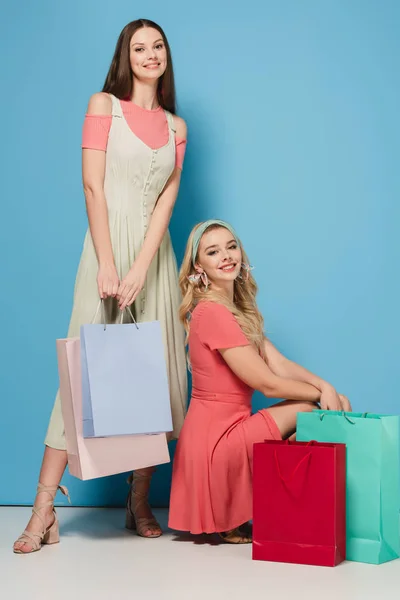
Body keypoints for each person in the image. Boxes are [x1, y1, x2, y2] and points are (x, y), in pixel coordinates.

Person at [14, 19, 188, 553]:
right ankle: (44, 509)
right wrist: (111, 264)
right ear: (125, 56)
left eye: (157, 46)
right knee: (82, 375)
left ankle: (138, 501)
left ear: (166, 55)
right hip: (106, 252)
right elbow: (92, 184)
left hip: (153, 261)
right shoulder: (102, 106)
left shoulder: (178, 127)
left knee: (151, 377)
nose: (150, 54)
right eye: (139, 47)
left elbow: (167, 200)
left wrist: (142, 266)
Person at [168, 220, 351, 543]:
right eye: (213, 252)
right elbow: (267, 384)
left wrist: (327, 386)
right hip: (215, 443)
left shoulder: (236, 308)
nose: (226, 256)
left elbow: (278, 362)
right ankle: (236, 512)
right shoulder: (211, 312)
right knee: (307, 410)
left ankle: (278, 508)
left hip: (229, 429)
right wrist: (322, 394)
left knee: (310, 408)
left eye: (231, 246)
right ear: (199, 266)